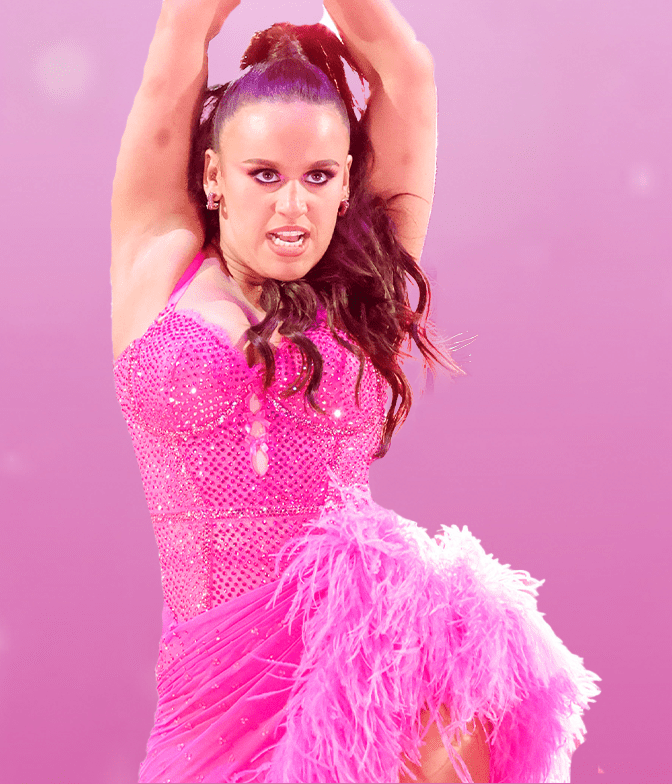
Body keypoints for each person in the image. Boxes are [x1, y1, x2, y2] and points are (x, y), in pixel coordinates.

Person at [110, 1, 596, 781]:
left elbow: (406, 73)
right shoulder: (156, 263)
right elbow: (182, 30)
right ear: (212, 176)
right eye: (263, 175)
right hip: (210, 693)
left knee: (449, 731)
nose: (293, 205)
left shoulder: (364, 284)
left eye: (319, 176)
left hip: (363, 666)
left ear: (346, 186)